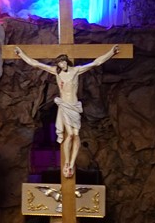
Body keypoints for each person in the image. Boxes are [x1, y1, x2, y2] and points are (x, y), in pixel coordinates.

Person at [13, 45, 119, 178]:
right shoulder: (56, 72)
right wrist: (21, 54)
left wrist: (111, 53)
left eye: (62, 62)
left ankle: (72, 163)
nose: (61, 65)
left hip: (74, 106)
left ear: (66, 61)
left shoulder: (76, 70)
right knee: (70, 135)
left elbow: (96, 63)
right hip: (65, 106)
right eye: (59, 63)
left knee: (76, 135)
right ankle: (67, 163)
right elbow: (36, 64)